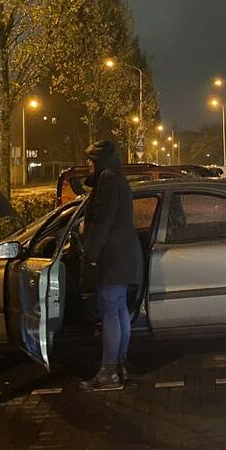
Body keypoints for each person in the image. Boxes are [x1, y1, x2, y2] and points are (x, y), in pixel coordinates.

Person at [78, 140, 142, 391]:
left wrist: (92, 254)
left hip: (112, 257)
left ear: (98, 161)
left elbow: (102, 221)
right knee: (120, 312)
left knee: (109, 312)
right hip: (125, 255)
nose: (87, 166)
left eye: (89, 161)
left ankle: (108, 372)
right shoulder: (119, 179)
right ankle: (121, 366)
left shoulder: (107, 180)